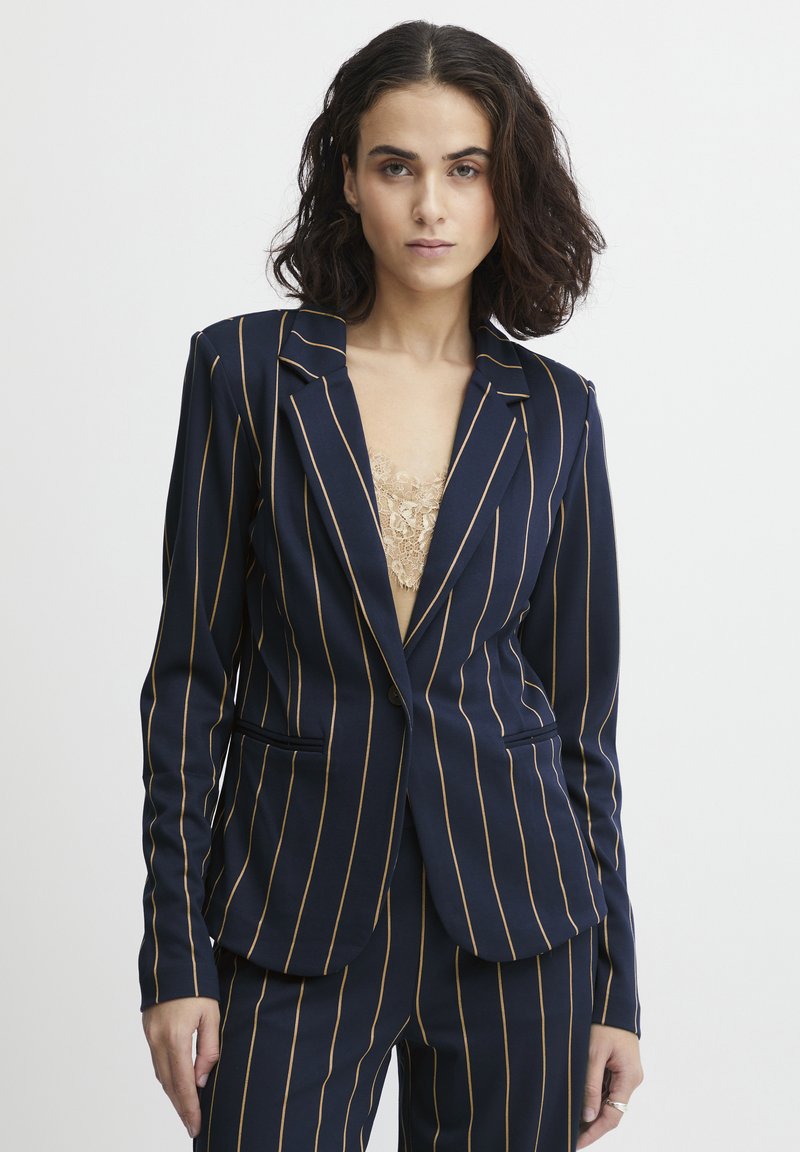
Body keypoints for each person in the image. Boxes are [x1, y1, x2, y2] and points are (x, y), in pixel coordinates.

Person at [138, 19, 644, 1151]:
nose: (429, 206)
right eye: (395, 166)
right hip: (290, 912)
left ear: (506, 188)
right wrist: (174, 955)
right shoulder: (246, 374)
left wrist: (615, 980)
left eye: (464, 169)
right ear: (348, 182)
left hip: (519, 925)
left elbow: (581, 720)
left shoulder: (555, 412)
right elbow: (187, 682)